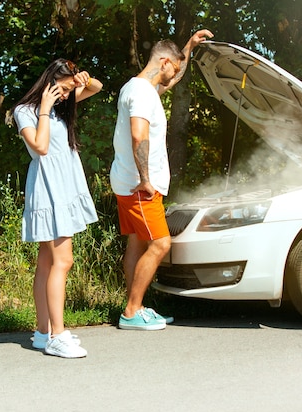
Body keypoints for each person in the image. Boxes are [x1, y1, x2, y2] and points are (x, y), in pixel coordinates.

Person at [110, 29, 214, 330]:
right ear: (164, 62)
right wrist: (145, 179)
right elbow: (138, 135)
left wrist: (190, 47)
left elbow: (173, 78)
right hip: (139, 185)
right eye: (175, 67)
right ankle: (131, 312)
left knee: (137, 245)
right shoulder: (142, 93)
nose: (175, 74)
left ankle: (136, 306)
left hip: (128, 181)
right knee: (161, 244)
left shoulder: (139, 88)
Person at [9, 58, 103, 357]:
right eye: (61, 89)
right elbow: (40, 147)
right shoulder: (25, 111)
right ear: (49, 83)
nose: (65, 95)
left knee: (47, 263)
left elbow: (98, 87)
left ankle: (41, 332)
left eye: (67, 91)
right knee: (63, 261)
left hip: (64, 187)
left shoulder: (63, 105)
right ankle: (57, 336)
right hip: (48, 191)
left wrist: (80, 82)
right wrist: (46, 108)